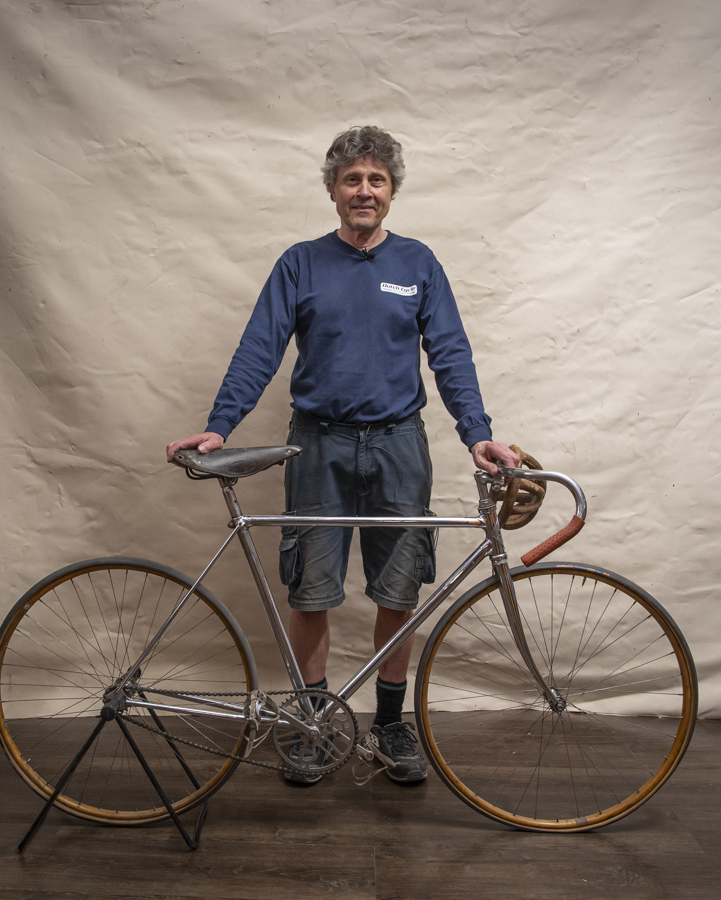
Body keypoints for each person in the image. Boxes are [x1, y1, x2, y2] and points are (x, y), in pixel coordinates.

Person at [167, 126, 519, 785]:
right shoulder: (300, 263)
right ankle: (310, 719)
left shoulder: (417, 265)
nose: (364, 190)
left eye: (376, 180)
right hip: (319, 442)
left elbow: (450, 355)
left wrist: (476, 431)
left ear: (391, 192)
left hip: (399, 445)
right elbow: (258, 350)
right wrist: (220, 427)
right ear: (332, 190)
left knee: (400, 586)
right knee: (312, 589)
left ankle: (389, 723)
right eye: (352, 179)